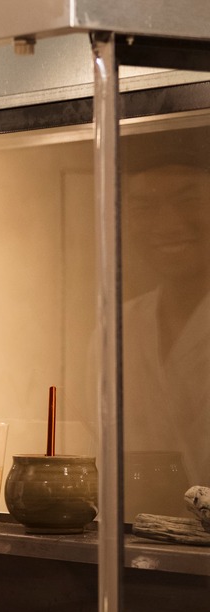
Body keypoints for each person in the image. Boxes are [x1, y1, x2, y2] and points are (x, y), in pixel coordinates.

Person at [121, 127, 210, 511]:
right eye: (145, 206)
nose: (168, 223)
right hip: (139, 550)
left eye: (188, 199)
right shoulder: (116, 334)